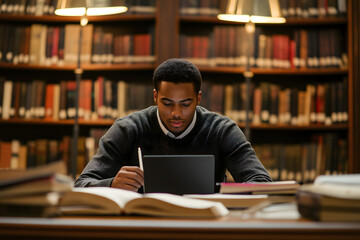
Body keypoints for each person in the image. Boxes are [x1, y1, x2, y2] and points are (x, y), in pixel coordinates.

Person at [74, 58, 271, 192]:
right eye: (167, 103)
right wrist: (111, 184)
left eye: (186, 104)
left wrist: (226, 195)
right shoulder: (128, 129)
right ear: (155, 96)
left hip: (205, 226)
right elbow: (81, 184)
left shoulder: (221, 129)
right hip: (142, 227)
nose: (176, 113)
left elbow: (262, 183)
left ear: (198, 98)